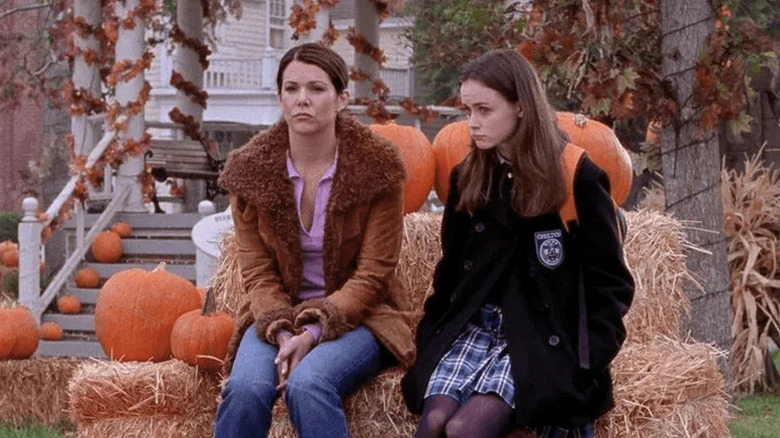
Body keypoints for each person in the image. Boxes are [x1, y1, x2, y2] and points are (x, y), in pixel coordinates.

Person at [401, 49, 635, 438]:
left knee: (464, 430)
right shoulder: (469, 176)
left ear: (521, 107)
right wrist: (429, 338)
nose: (472, 123)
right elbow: (451, 270)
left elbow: (611, 284)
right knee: (434, 424)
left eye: (485, 110)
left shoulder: (576, 175)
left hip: (540, 338)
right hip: (475, 330)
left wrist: (585, 359)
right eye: (467, 110)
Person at [214, 42, 415, 438]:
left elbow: (373, 275)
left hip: (360, 317)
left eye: (316, 89)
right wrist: (284, 332)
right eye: (291, 89)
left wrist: (313, 333)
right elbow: (256, 273)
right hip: (277, 315)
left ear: (341, 99)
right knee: (245, 388)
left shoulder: (379, 171)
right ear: (280, 97)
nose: (302, 99)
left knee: (309, 384)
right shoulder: (249, 174)